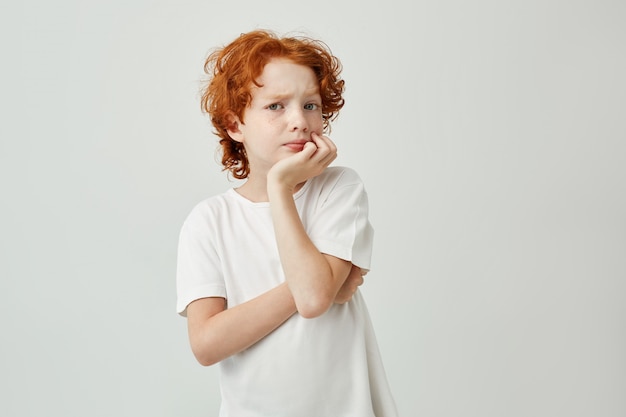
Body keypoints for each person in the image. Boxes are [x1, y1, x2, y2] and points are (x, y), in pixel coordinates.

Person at [176, 29, 398, 417]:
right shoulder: (209, 221)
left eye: (311, 105)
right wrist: (325, 283)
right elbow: (207, 344)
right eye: (276, 106)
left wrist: (280, 188)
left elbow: (313, 301)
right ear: (234, 125)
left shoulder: (338, 188)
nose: (299, 120)